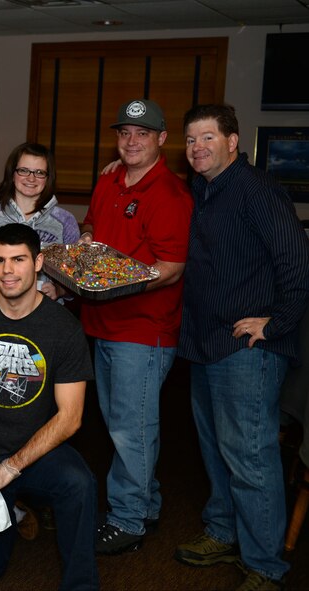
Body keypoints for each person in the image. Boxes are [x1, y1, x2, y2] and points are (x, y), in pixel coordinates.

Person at [174, 104, 309, 591]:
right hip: (206, 343)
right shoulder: (203, 188)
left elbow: (298, 263)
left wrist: (276, 325)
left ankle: (266, 566)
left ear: (233, 141)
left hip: (249, 351)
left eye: (208, 138)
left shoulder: (258, 191)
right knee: (216, 450)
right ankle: (224, 531)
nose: (198, 148)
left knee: (251, 458)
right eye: (191, 140)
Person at [0, 222, 97, 589]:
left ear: (38, 262)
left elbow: (71, 418)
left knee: (80, 483)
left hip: (34, 453)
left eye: (18, 259)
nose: (8, 271)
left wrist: (11, 468)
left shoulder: (63, 327)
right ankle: (13, 511)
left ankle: (82, 584)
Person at [79, 99, 192, 555]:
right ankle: (144, 504)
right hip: (103, 324)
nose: (131, 141)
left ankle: (128, 521)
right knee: (123, 424)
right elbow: (91, 224)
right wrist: (86, 243)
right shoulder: (109, 178)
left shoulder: (169, 194)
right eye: (125, 132)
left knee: (131, 428)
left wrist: (115, 281)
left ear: (161, 139)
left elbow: (170, 267)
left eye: (142, 133)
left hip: (143, 332)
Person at [0, 142, 80, 301]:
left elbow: (76, 277)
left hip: (46, 314)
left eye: (39, 172)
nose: (31, 178)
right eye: (24, 170)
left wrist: (58, 290)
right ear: (12, 174)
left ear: (48, 178)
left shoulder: (65, 221)